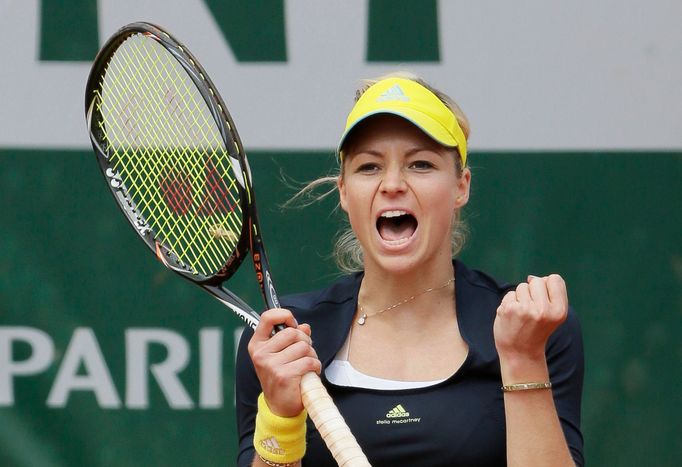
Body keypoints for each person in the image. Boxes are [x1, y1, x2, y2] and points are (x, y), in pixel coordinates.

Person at [235, 72, 584, 467]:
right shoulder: (284, 343)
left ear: (461, 186)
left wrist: (523, 359)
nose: (393, 183)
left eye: (420, 164)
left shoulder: (530, 329)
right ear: (344, 192)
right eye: (369, 167)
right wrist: (280, 418)